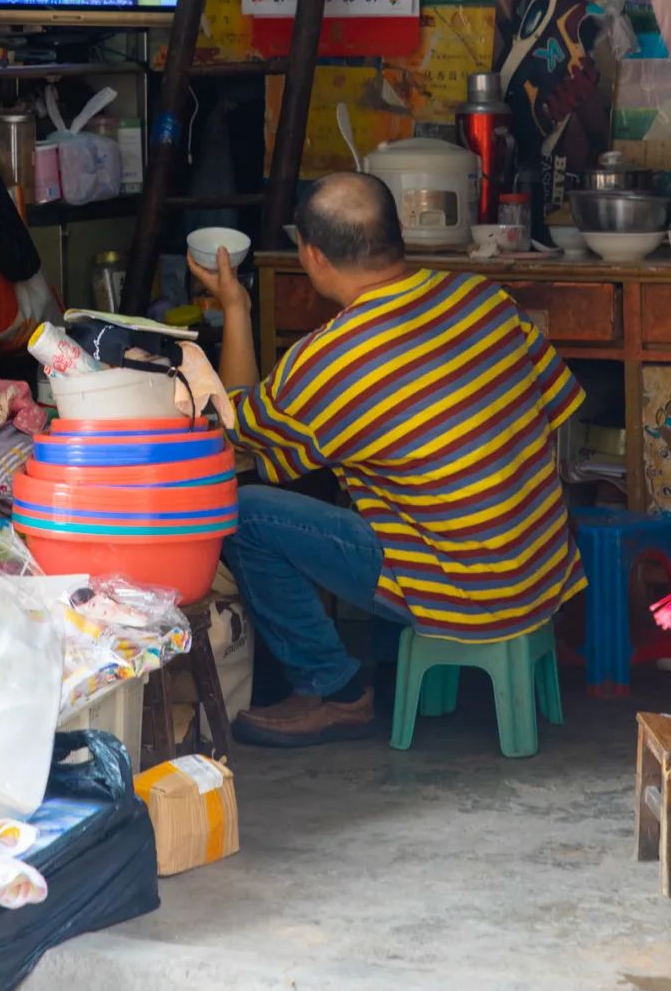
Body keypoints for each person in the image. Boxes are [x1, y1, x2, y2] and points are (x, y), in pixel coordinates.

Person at [187, 172, 585, 749]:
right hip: (538, 570)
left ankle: (336, 692)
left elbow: (234, 432)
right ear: (395, 237)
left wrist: (236, 308)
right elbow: (555, 408)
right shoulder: (483, 299)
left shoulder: (328, 362)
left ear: (313, 256)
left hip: (467, 587)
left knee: (244, 513)